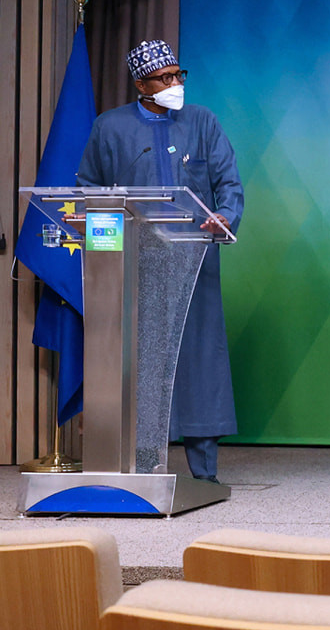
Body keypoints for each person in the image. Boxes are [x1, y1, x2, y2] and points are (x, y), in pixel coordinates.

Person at [76, 39, 242, 482]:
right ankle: (145, 465)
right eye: (164, 78)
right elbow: (87, 190)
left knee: (199, 359)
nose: (174, 84)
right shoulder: (109, 128)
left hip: (193, 263)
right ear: (140, 84)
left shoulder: (202, 121)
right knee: (144, 361)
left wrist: (224, 215)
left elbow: (228, 181)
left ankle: (204, 473)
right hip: (137, 264)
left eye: (177, 75)